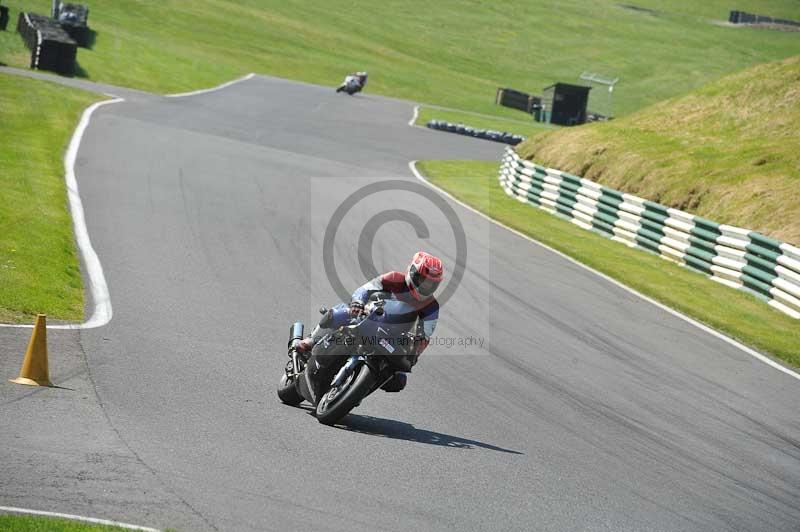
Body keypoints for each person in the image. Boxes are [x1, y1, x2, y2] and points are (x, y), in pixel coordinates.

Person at [298, 251, 442, 399]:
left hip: (394, 339)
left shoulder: (431, 306)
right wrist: (358, 303)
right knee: (339, 313)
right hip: (370, 317)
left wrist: (414, 354)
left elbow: (425, 336)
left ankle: (357, 391)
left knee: (399, 380)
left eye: (432, 284)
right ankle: (311, 340)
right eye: (423, 280)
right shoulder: (393, 278)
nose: (427, 286)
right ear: (412, 272)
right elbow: (365, 289)